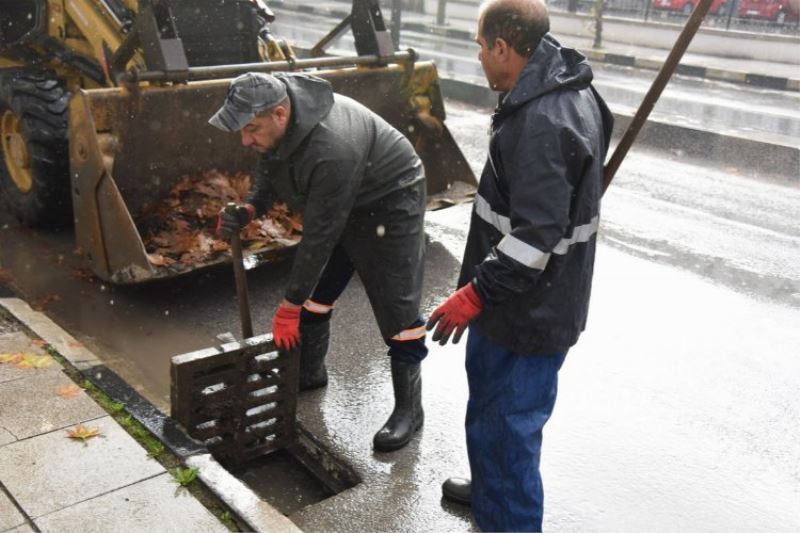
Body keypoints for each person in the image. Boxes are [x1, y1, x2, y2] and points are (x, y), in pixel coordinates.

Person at [426, 0, 614, 530]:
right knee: (492, 413)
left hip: (526, 309)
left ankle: (507, 516)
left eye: (482, 46)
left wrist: (476, 293)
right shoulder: (565, 83)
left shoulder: (540, 119)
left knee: (508, 427)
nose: (480, 56)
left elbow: (535, 237)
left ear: (505, 49)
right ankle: (492, 489)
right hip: (532, 299)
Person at [210, 71, 428, 452]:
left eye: (251, 128)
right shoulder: (282, 120)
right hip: (348, 196)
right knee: (318, 294)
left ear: (279, 114)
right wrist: (250, 207)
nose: (245, 140)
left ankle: (410, 410)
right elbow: (270, 164)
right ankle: (311, 372)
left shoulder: (331, 146)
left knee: (398, 309)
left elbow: (320, 237)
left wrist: (288, 305)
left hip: (391, 199)